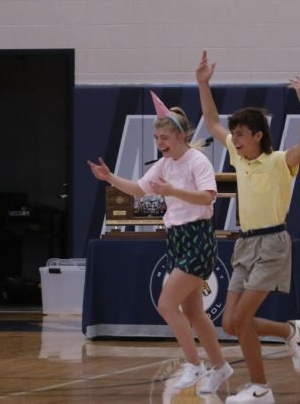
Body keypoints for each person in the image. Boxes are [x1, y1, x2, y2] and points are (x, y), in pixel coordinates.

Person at [88, 91, 234, 395]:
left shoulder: (198, 161)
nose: (160, 142)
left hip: (198, 237)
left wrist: (173, 191)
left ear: (180, 136)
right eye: (156, 138)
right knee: (193, 312)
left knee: (167, 304)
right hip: (177, 239)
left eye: (165, 137)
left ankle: (194, 365)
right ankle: (221, 367)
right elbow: (140, 190)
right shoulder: (164, 164)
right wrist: (110, 178)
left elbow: (208, 197)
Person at [196, 50, 300, 404]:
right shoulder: (237, 155)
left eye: (242, 133)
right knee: (230, 323)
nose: (235, 138)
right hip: (245, 243)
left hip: (273, 242)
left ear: (259, 135)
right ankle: (290, 331)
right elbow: (212, 119)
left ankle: (261, 388)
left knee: (243, 317)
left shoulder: (278, 162)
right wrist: (203, 83)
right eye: (234, 134)